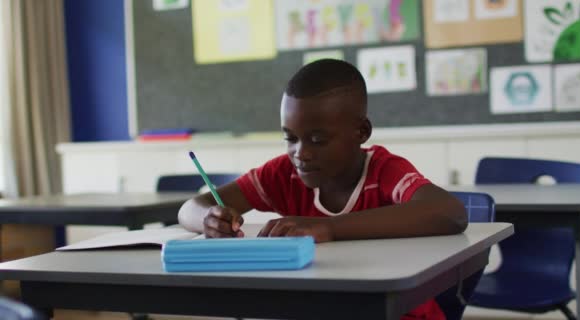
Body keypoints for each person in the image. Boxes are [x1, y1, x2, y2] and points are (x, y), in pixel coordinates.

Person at [178, 59, 467, 320]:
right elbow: (189, 209)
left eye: (317, 139)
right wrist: (210, 219)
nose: (300, 153)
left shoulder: (383, 171)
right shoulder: (283, 174)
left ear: (361, 132)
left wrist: (329, 227)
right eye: (290, 138)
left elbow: (450, 213)